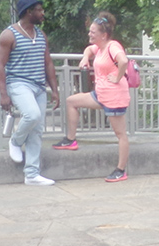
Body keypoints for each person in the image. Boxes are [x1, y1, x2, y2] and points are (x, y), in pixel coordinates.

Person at [53, 12, 131, 182]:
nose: (89, 34)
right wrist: (85, 57)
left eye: (93, 32)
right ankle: (71, 140)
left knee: (120, 134)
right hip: (100, 95)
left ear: (103, 35)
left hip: (115, 96)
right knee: (71, 101)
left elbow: (123, 61)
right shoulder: (100, 47)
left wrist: (117, 77)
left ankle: (121, 170)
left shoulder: (112, 46)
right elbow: (89, 49)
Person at [0, 0, 60, 186]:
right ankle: (15, 141)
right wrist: (4, 94)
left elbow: (48, 62)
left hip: (39, 86)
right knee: (32, 115)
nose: (42, 13)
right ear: (28, 12)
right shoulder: (9, 35)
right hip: (18, 83)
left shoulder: (40, 34)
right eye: (39, 10)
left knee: (37, 129)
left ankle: (31, 174)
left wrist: (54, 90)